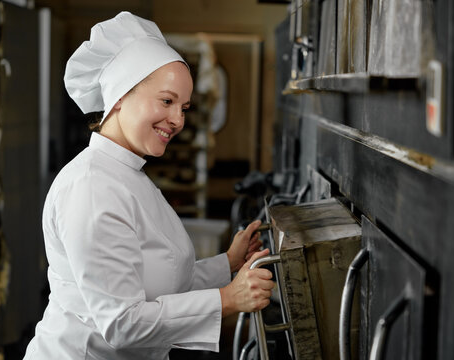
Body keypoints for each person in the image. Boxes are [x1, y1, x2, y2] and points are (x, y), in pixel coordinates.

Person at [23, 11, 274, 360]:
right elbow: (123, 324)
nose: (178, 120)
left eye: (184, 107)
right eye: (167, 101)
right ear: (120, 97)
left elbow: (157, 282)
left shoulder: (128, 175)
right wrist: (229, 299)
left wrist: (227, 264)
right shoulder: (92, 188)